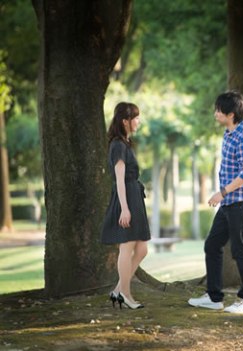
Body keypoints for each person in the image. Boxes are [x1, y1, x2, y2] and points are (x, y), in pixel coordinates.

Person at [188, 91, 243, 314]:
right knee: (212, 245)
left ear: (231, 114)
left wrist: (222, 192)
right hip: (229, 203)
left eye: (219, 110)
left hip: (240, 201)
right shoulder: (229, 135)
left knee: (240, 250)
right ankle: (214, 297)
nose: (215, 113)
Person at [101, 102, 150, 310]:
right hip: (127, 198)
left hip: (134, 196)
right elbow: (119, 180)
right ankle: (126, 295)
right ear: (125, 121)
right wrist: (125, 208)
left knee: (142, 248)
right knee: (127, 247)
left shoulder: (126, 144)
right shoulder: (118, 146)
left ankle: (118, 290)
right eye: (135, 118)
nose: (138, 121)